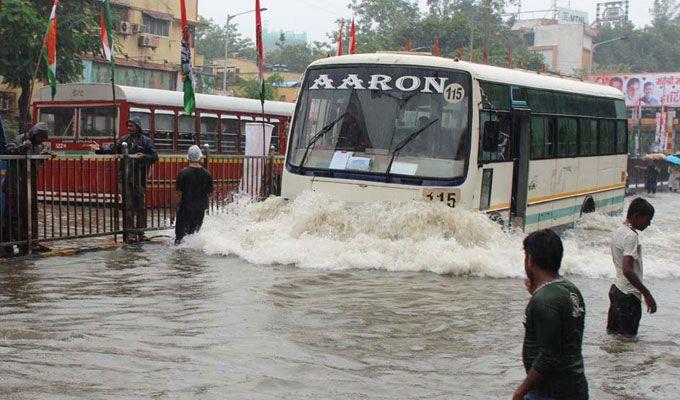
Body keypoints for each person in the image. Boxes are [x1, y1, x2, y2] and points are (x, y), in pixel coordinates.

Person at [513, 229, 588, 400]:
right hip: (574, 386)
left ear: (530, 259)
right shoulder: (570, 289)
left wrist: (520, 392)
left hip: (549, 392)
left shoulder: (544, 300)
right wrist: (536, 293)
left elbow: (549, 357)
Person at [95, 117, 157, 242]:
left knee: (141, 206)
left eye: (131, 126)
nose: (129, 128)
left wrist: (144, 156)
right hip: (124, 178)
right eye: (128, 126)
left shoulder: (146, 141)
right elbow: (113, 149)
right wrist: (101, 149)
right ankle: (130, 233)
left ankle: (141, 232)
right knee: (127, 206)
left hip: (140, 178)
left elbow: (154, 156)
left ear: (138, 127)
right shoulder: (124, 140)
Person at [607, 198, 657, 337]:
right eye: (648, 219)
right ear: (636, 216)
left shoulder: (619, 231)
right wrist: (647, 294)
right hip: (629, 297)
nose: (649, 224)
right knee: (628, 341)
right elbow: (627, 269)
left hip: (617, 290)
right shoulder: (631, 236)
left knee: (615, 339)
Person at [1, 123, 50, 257]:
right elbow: (8, 151)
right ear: (35, 134)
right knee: (13, 218)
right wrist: (23, 147)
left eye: (44, 138)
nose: (42, 141)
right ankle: (8, 246)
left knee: (29, 216)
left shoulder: (36, 146)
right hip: (14, 187)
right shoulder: (19, 140)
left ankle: (28, 244)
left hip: (28, 188)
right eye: (41, 137)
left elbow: (32, 163)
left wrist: (44, 156)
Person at [174, 145, 213, 245]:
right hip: (200, 209)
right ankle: (193, 259)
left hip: (185, 209)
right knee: (193, 235)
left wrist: (172, 210)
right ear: (200, 157)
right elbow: (210, 193)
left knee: (180, 237)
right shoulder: (207, 174)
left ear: (188, 157)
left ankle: (181, 259)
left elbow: (178, 194)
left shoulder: (183, 173)